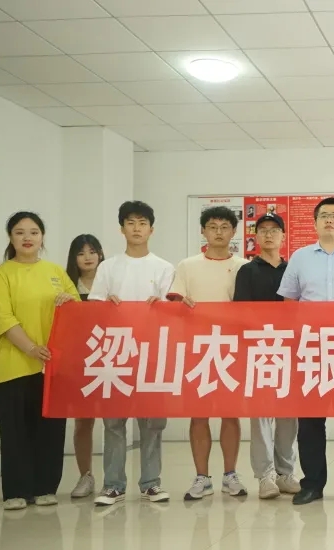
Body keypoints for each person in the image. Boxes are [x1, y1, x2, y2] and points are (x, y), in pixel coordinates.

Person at [278, 197, 334, 505]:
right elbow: (289, 301)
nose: (329, 220)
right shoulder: (300, 257)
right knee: (310, 420)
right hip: (311, 348)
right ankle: (312, 484)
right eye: (324, 216)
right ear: (315, 223)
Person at [0, 212, 79, 510]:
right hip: (13, 365)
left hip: (53, 366)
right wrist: (30, 348)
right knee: (16, 430)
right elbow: (2, 318)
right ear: (10, 237)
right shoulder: (2, 275)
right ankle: (16, 491)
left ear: (42, 237)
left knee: (50, 429)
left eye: (34, 232)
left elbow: (77, 311)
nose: (27, 237)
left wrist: (68, 301)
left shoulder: (55, 272)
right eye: (20, 232)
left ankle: (45, 487)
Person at [89, 201, 174, 506]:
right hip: (115, 352)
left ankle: (151, 483)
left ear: (152, 229)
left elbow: (172, 312)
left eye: (142, 223)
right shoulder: (108, 267)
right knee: (113, 422)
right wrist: (106, 305)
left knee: (152, 423)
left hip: (152, 353)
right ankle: (113, 485)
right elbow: (94, 308)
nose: (137, 229)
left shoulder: (164, 267)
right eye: (130, 223)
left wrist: (161, 307)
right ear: (121, 228)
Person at [168, 205, 249, 501]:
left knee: (230, 414)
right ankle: (202, 477)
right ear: (203, 230)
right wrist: (180, 306)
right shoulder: (187, 266)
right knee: (199, 414)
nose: (218, 232)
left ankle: (230, 475)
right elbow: (173, 305)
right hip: (198, 349)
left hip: (232, 350)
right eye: (212, 227)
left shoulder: (244, 267)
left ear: (234, 232)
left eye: (225, 227)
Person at [233, 212, 302, 500]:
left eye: (275, 230)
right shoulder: (247, 271)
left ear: (283, 236)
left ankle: (286, 472)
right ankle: (265, 476)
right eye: (263, 230)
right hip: (259, 350)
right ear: (256, 236)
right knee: (261, 415)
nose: (269, 234)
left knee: (288, 415)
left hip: (291, 350)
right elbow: (241, 313)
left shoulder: (294, 269)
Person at [64, 233, 104, 499]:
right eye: (81, 253)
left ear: (100, 254)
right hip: (80, 361)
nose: (87, 257)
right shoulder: (66, 286)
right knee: (83, 422)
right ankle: (85, 475)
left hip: (110, 358)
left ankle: (116, 478)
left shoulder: (111, 281)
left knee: (115, 422)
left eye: (92, 251)